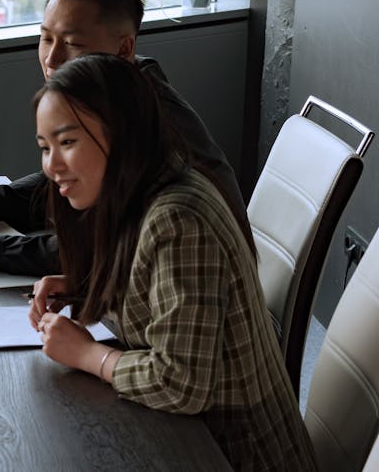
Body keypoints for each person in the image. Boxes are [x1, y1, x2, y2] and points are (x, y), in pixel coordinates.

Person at [25, 55, 313, 469]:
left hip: (234, 455)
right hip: (185, 440)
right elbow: (152, 289)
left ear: (121, 134)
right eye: (45, 147)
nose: (52, 166)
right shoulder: (139, 189)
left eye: (67, 142)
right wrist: (85, 285)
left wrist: (87, 355)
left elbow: (180, 383)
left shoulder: (178, 220)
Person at [0, 0, 244, 275]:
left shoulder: (149, 122)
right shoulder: (115, 91)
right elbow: (71, 180)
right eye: (45, 38)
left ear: (125, 49)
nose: (52, 59)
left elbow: (104, 245)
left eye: (71, 43)